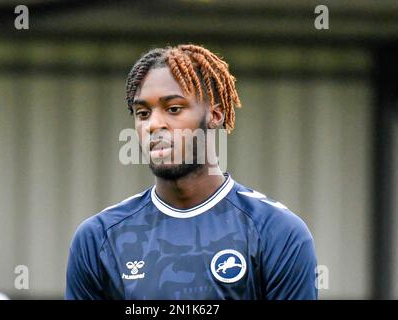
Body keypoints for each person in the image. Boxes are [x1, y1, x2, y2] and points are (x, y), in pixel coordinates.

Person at [65, 44, 317, 300]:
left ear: (215, 115)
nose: (154, 125)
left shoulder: (277, 232)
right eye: (143, 113)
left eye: (173, 109)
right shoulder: (99, 238)